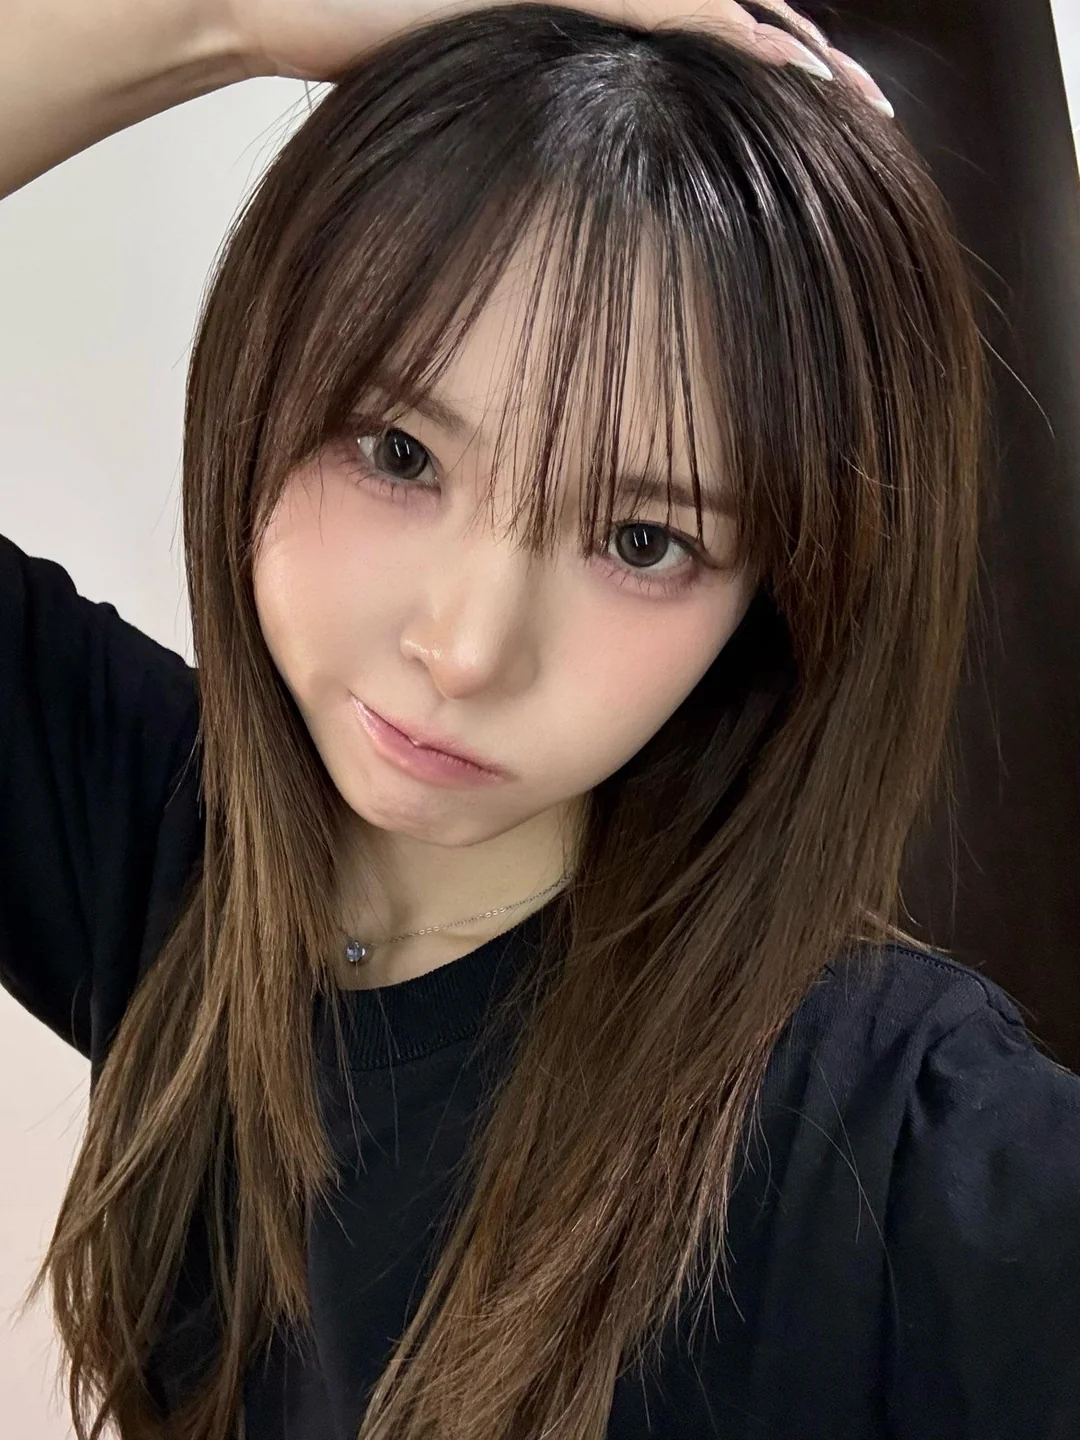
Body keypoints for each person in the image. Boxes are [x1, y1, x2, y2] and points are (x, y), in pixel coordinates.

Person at [1, 2, 1077, 1438]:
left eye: (642, 540)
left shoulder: (882, 1133)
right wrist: (227, 21)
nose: (464, 650)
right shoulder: (161, 841)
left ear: (774, 600)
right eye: (398, 453)